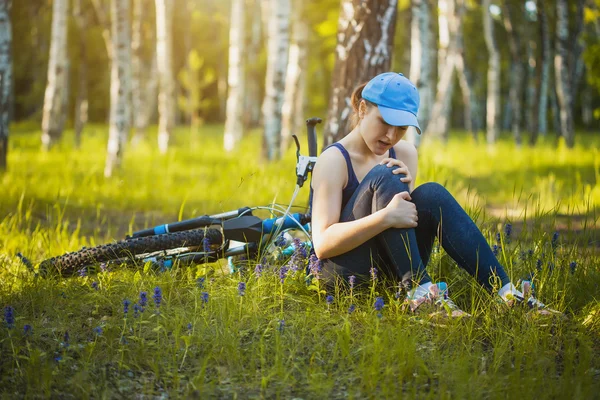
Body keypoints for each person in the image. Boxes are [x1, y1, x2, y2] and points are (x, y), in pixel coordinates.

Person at [310, 72, 555, 316]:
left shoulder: (404, 153)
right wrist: (385, 217)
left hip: (390, 277)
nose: (391, 136)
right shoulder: (333, 160)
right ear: (363, 109)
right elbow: (322, 245)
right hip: (341, 278)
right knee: (386, 175)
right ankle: (422, 297)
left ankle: (507, 294)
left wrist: (395, 212)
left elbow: (404, 230)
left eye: (401, 128)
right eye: (384, 122)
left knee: (431, 194)